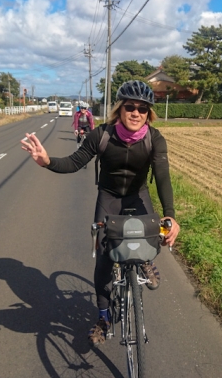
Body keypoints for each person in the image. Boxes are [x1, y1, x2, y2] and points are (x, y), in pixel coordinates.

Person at [21, 80, 180, 346]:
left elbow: (163, 177)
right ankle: (104, 317)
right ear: (119, 109)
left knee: (153, 232)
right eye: (130, 107)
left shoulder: (155, 139)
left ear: (149, 113)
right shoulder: (102, 135)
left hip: (138, 196)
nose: (136, 113)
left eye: (143, 109)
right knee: (105, 259)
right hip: (109, 198)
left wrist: (170, 214)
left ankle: (144, 261)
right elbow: (74, 162)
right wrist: (47, 162)